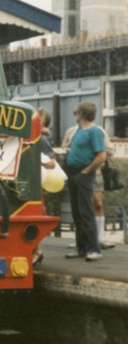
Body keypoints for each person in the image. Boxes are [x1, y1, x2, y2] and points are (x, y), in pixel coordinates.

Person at [62, 115, 116, 251]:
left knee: (96, 202)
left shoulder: (98, 130)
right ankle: (83, 241)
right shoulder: (72, 131)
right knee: (80, 206)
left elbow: (108, 150)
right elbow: (64, 148)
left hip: (94, 169)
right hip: (76, 171)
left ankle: (99, 238)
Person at [34, 108, 58, 266]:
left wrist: (37, 162)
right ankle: (35, 250)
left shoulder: (41, 139)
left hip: (36, 182)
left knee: (36, 213)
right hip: (34, 182)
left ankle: (36, 250)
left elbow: (52, 162)